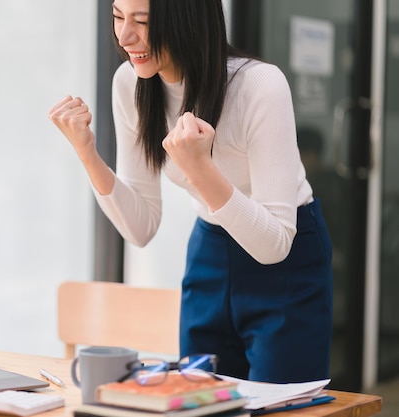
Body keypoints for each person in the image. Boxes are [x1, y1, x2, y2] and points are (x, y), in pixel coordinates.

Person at [48, 0, 332, 384]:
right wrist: (87, 153)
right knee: (201, 397)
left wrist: (199, 167)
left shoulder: (259, 85)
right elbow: (141, 227)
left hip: (287, 255)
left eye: (143, 21)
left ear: (187, 18)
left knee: (280, 408)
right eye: (118, 17)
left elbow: (274, 244)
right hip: (210, 253)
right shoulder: (130, 82)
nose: (125, 36)